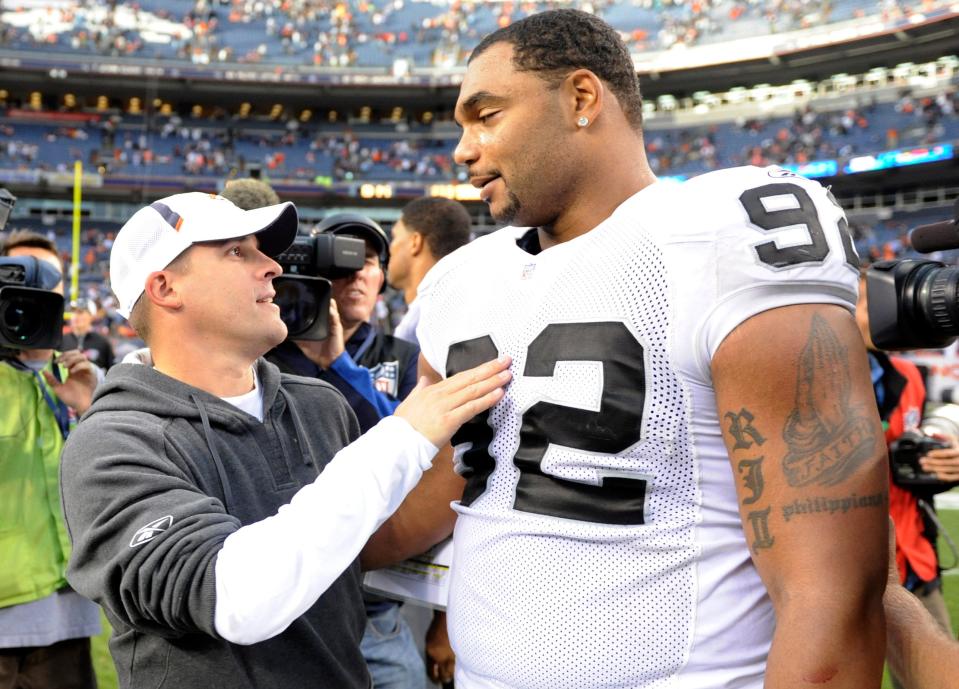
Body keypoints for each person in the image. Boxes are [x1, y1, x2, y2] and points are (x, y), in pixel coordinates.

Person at [365, 10, 888, 689]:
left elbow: (831, 596)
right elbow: (445, 483)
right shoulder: (461, 282)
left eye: (486, 115)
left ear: (581, 99)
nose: (462, 150)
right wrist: (295, 542)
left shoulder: (717, 235)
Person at [57, 192, 511, 689]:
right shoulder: (111, 443)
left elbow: (369, 541)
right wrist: (404, 437)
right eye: (236, 251)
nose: (273, 266)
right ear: (165, 287)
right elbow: (235, 599)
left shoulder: (318, 404)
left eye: (262, 250)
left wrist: (467, 437)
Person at [0, 231, 100, 689]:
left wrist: (91, 407)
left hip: (67, 615)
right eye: (22, 283)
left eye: (49, 283)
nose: (35, 296)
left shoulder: (81, 377)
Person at [854, 268, 957, 674]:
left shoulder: (909, 374)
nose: (876, 314)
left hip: (912, 562)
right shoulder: (802, 379)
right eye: (863, 304)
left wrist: (944, 463)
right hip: (837, 574)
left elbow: (910, 456)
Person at [386, 197, 472, 687]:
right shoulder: (425, 312)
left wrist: (445, 619)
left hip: (436, 568)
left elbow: (465, 460)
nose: (390, 252)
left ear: (415, 242)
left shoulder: (440, 311)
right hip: (418, 557)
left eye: (395, 240)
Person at [388, 197, 472, 345]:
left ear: (415, 242)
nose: (390, 248)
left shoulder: (417, 326)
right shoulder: (463, 308)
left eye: (394, 237)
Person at [62, 298, 115, 370]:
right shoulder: (61, 341)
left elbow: (111, 371)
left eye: (80, 312)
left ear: (91, 316)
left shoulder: (102, 342)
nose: (75, 316)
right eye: (73, 312)